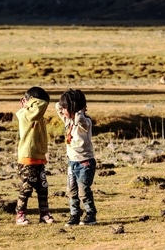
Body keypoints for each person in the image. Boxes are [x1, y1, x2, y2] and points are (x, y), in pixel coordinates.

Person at [55, 89, 97, 226]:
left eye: (65, 108)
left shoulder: (86, 123)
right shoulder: (68, 120)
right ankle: (75, 214)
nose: (62, 110)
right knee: (71, 190)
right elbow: (56, 106)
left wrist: (79, 111)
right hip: (72, 163)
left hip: (85, 163)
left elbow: (81, 120)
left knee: (83, 190)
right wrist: (64, 104)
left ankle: (91, 214)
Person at [15, 86, 54, 225]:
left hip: (38, 157)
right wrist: (30, 102)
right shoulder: (25, 114)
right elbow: (41, 105)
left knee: (43, 187)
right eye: (37, 103)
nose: (44, 107)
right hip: (27, 157)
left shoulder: (39, 116)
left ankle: (44, 214)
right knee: (27, 187)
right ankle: (20, 215)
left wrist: (44, 154)